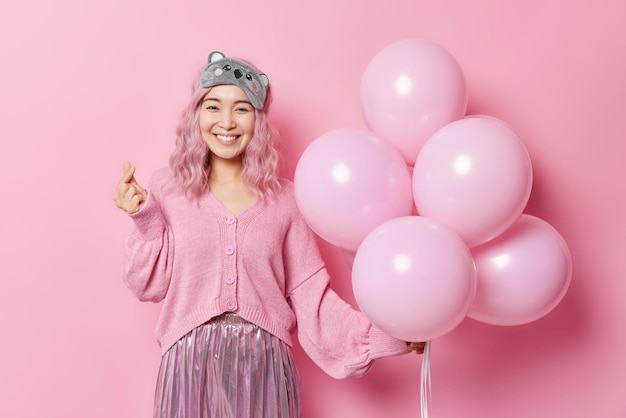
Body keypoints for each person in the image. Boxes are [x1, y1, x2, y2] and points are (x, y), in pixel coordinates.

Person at [113, 51, 424, 418]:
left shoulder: (288, 201)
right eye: (213, 106)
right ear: (196, 115)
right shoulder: (168, 189)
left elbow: (313, 299)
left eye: (242, 109)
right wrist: (144, 218)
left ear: (258, 121)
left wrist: (390, 334)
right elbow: (146, 285)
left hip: (264, 368)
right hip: (188, 365)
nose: (226, 121)